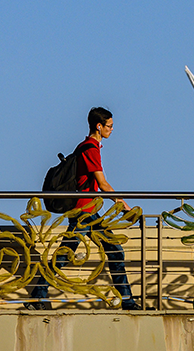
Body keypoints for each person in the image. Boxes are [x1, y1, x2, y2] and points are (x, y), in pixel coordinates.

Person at [26, 107, 143, 310]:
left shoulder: (88, 147)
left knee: (113, 251)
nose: (112, 129)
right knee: (68, 255)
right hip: (83, 212)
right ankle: (38, 295)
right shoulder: (90, 149)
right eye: (110, 126)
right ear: (99, 126)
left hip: (89, 212)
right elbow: (103, 184)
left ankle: (127, 301)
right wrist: (126, 208)